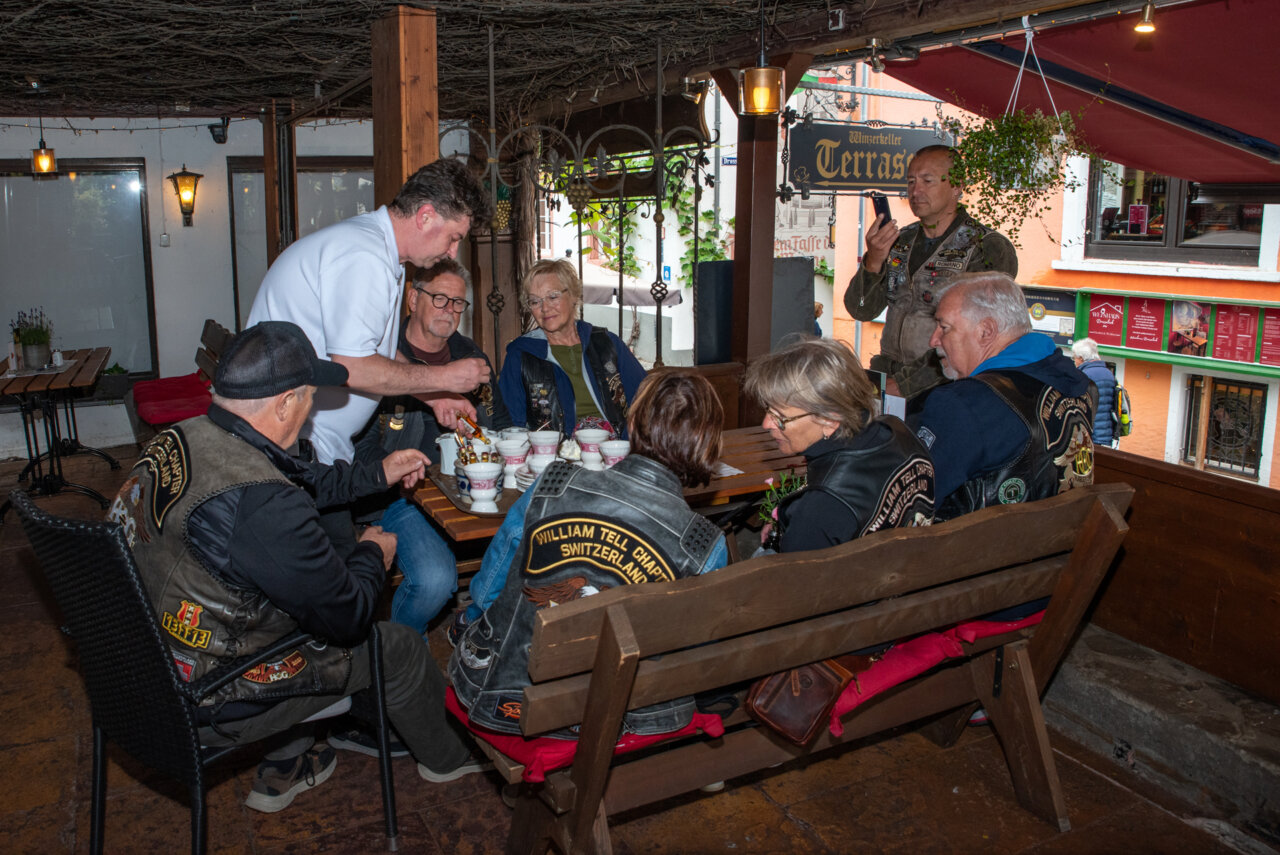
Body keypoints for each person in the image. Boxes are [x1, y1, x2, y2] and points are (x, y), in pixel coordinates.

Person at [105, 322, 488, 814]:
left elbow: (299, 477)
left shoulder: (185, 436)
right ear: (285, 403)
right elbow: (348, 615)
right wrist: (373, 552)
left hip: (139, 662)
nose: (313, 409)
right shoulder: (262, 506)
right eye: (310, 397)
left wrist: (377, 473)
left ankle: (338, 732)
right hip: (211, 692)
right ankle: (449, 755)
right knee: (393, 646)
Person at [449, 369, 729, 736]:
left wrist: (472, 617)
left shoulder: (551, 483)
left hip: (512, 701)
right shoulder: (705, 545)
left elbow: (490, 588)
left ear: (632, 423)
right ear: (708, 444)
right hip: (630, 722)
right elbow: (697, 645)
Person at [247, 158, 492, 553]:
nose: (452, 251)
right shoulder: (365, 257)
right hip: (291, 452)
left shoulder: (377, 251)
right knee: (330, 586)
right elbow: (351, 368)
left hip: (311, 447)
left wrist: (433, 396)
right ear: (426, 216)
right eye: (453, 236)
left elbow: (373, 350)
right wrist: (444, 378)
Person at [352, 258, 513, 635]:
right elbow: (360, 451)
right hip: (400, 498)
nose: (450, 310)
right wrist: (399, 466)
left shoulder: (470, 358)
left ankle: (474, 633)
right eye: (440, 298)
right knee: (435, 582)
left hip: (466, 493)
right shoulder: (378, 359)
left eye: (458, 303)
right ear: (413, 299)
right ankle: (400, 655)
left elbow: (500, 424)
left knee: (530, 548)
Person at [914, 272, 1096, 523]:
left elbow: (914, 501)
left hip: (969, 557)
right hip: (1057, 551)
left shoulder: (963, 404)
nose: (933, 339)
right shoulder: (1081, 385)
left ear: (986, 332)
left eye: (944, 327)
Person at [843, 145, 1018, 401]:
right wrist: (874, 262)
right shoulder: (899, 241)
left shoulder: (986, 246)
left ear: (957, 186)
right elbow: (860, 309)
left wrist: (904, 385)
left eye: (927, 181)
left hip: (945, 385)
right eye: (911, 182)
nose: (915, 191)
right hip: (888, 374)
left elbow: (973, 336)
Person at [743, 337, 935, 553]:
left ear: (830, 420)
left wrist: (798, 525)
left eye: (781, 418)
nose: (766, 424)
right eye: (767, 409)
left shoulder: (819, 510)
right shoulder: (898, 432)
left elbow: (795, 583)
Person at [498, 258, 645, 437]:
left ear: (574, 296)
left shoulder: (606, 344)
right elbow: (511, 427)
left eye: (553, 296)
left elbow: (645, 401)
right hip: (554, 459)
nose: (545, 308)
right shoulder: (520, 355)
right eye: (535, 301)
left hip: (615, 453)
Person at [1072, 337, 1118, 448]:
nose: (1074, 362)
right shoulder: (1108, 373)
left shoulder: (1085, 375)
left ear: (1081, 358)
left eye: (1074, 358)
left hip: (1089, 435)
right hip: (1106, 434)